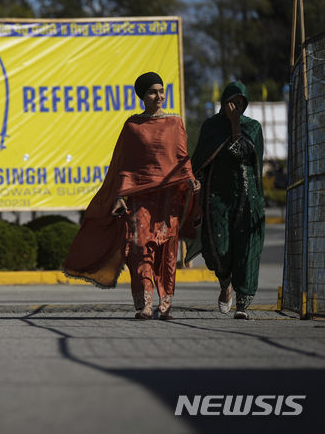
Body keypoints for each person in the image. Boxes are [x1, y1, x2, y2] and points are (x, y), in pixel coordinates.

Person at [64, 72, 200, 320]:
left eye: (161, 90)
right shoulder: (133, 126)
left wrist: (190, 178)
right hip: (140, 197)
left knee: (167, 252)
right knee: (138, 247)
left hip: (169, 198)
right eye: (152, 92)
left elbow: (181, 156)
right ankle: (145, 304)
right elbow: (125, 165)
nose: (158, 96)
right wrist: (119, 196)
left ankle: (166, 303)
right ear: (142, 96)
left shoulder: (175, 122)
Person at [188, 81, 265, 319]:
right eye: (232, 102)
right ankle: (225, 285)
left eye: (241, 103)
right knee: (218, 249)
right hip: (217, 199)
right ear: (223, 102)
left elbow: (240, 153)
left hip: (247, 199)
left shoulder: (252, 127)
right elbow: (199, 161)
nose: (236, 107)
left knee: (246, 251)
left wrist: (234, 125)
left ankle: (242, 303)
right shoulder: (211, 126)